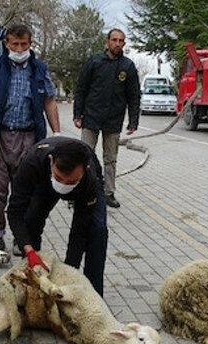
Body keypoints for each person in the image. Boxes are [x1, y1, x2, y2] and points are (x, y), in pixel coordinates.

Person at [0, 24, 61, 253]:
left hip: (28, 138)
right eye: (14, 44)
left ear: (30, 44)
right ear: (7, 44)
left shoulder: (39, 69)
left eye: (24, 44)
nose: (19, 49)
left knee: (25, 193)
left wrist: (57, 134)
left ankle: (22, 238)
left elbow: (49, 100)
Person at [7, 137, 108, 296]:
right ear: (51, 160)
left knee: (96, 231)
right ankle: (34, 283)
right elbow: (15, 212)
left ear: (85, 168)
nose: (64, 185)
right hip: (45, 183)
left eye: (71, 181)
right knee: (31, 220)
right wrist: (29, 250)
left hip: (84, 189)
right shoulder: (32, 163)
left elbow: (79, 231)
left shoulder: (89, 179)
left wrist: (68, 272)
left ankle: (93, 295)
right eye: (59, 178)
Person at [74, 28, 140, 209]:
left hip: (113, 120)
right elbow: (81, 89)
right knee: (85, 155)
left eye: (121, 41)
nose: (117, 44)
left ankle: (108, 192)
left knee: (110, 159)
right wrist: (77, 114)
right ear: (107, 41)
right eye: (114, 40)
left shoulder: (128, 66)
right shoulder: (94, 62)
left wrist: (133, 121)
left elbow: (134, 96)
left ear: (124, 44)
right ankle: (81, 191)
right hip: (91, 118)